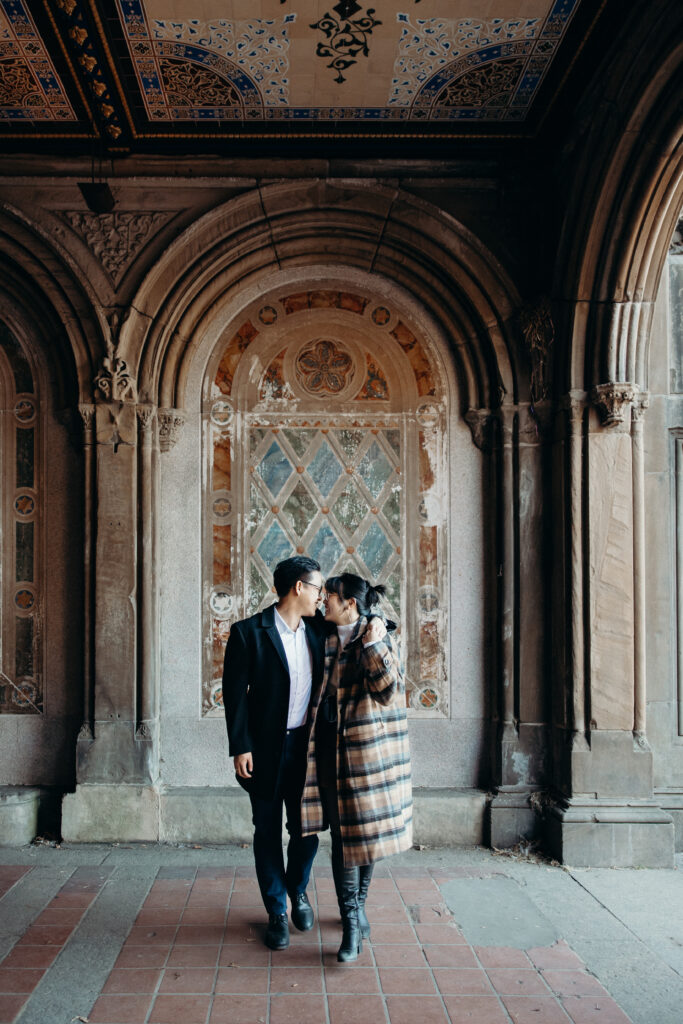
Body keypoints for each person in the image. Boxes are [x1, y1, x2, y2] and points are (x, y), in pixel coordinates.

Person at [300, 572, 413, 962]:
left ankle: (358, 906)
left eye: (330, 595)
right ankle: (351, 923)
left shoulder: (379, 636)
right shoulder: (322, 632)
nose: (324, 601)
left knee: (364, 836)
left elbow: (387, 692)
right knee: (344, 839)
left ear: (350, 603)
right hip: (328, 752)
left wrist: (374, 643)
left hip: (367, 756)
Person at [222, 555, 327, 950]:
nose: (322, 595)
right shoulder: (249, 632)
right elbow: (234, 697)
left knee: (308, 831)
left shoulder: (319, 631)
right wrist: (240, 746)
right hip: (264, 751)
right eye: (318, 587)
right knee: (266, 832)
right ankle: (277, 911)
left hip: (307, 750)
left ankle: (297, 890)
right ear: (298, 588)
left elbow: (366, 619)